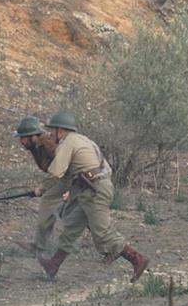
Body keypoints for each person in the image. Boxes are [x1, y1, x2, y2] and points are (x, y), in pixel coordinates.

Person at [34, 111, 150, 282]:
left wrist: (42, 188)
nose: (50, 135)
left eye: (53, 131)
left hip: (93, 190)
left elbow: (56, 172)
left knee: (102, 233)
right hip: (93, 188)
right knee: (72, 227)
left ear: (61, 131)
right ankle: (53, 264)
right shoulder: (84, 140)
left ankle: (137, 259)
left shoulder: (67, 142)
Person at [14, 116, 65, 254]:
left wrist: (43, 188)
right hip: (66, 179)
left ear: (33, 136)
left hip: (70, 178)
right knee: (72, 213)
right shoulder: (37, 146)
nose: (21, 141)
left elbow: (60, 169)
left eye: (23, 138)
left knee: (48, 204)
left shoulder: (48, 145)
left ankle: (38, 246)